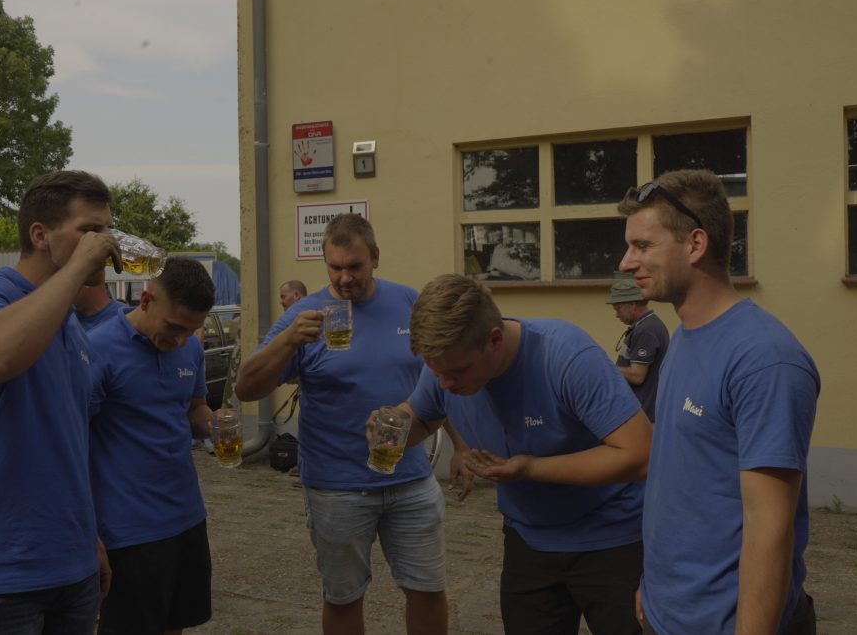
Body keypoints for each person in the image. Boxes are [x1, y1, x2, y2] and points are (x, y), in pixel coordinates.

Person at [381, 273, 651, 635]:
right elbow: (422, 419)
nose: (444, 385)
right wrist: (391, 429)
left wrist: (530, 468)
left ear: (494, 340)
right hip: (529, 540)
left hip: (612, 538)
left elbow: (640, 454)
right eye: (436, 372)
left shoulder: (566, 356)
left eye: (457, 372)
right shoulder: (446, 367)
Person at [617, 169, 819, 635]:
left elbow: (769, 529)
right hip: (667, 611)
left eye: (643, 246)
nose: (626, 262)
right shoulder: (685, 337)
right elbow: (677, 482)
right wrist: (654, 585)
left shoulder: (765, 359)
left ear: (695, 244)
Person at [0, 170, 119, 634]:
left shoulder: (67, 319)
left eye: (107, 229)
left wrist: (87, 534)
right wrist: (75, 270)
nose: (105, 243)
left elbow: (63, 438)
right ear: (40, 235)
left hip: (70, 566)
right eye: (90, 230)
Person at [235, 213, 447, 635]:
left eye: (355, 266)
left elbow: (442, 376)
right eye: (335, 267)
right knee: (343, 595)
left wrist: (463, 446)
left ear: (375, 257)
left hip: (410, 478)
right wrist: (287, 340)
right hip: (338, 487)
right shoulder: (304, 316)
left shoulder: (408, 301)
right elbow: (246, 388)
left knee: (428, 588)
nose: (345, 278)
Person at [88, 256, 216, 634]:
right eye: (174, 327)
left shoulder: (189, 348)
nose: (181, 340)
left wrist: (215, 426)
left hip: (186, 517)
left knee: (176, 625)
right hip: (128, 529)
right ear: (145, 301)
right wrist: (85, 528)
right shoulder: (97, 349)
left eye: (191, 330)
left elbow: (195, 408)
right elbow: (70, 440)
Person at [606, 278, 669, 422]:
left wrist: (605, 365)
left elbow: (637, 376)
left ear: (632, 304)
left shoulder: (646, 330)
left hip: (645, 416)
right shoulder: (645, 326)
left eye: (618, 309)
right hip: (644, 414)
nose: (617, 315)